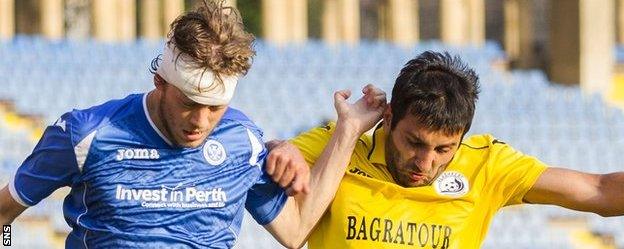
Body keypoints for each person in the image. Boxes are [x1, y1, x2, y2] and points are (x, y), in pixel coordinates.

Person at [0, 1, 387, 248]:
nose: (200, 122)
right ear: (160, 82)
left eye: (215, 107)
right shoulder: (87, 134)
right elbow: (3, 215)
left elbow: (297, 229)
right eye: (189, 104)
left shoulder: (242, 143)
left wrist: (348, 130)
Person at [283, 51, 624, 249]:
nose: (425, 162)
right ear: (388, 117)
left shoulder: (487, 165)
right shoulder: (342, 144)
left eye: (444, 149)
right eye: (414, 142)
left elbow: (599, 190)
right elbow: (272, 154)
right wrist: (286, 154)